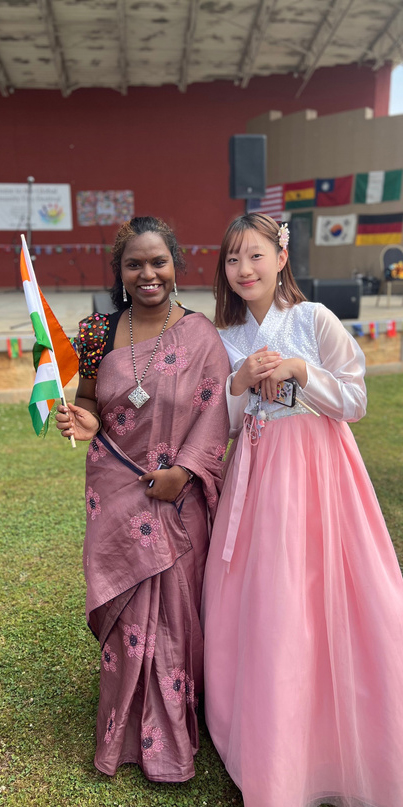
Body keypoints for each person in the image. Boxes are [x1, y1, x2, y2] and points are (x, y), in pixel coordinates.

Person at [202, 212, 403, 807]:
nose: (244, 269)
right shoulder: (225, 336)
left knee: (331, 588)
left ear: (281, 258)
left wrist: (298, 370)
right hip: (258, 480)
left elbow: (355, 399)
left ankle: (343, 728)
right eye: (233, 259)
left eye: (256, 255)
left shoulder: (313, 319)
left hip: (321, 474)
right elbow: (224, 425)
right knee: (269, 596)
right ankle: (275, 735)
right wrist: (239, 381)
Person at [56, 216, 230, 783]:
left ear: (175, 265)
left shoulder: (202, 334)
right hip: (116, 490)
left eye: (158, 261)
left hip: (178, 498)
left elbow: (214, 413)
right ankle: (123, 725)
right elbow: (91, 406)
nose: (148, 273)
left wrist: (183, 471)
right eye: (135, 263)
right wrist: (81, 421)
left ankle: (172, 731)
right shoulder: (97, 332)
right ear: (121, 272)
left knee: (179, 614)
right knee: (128, 613)